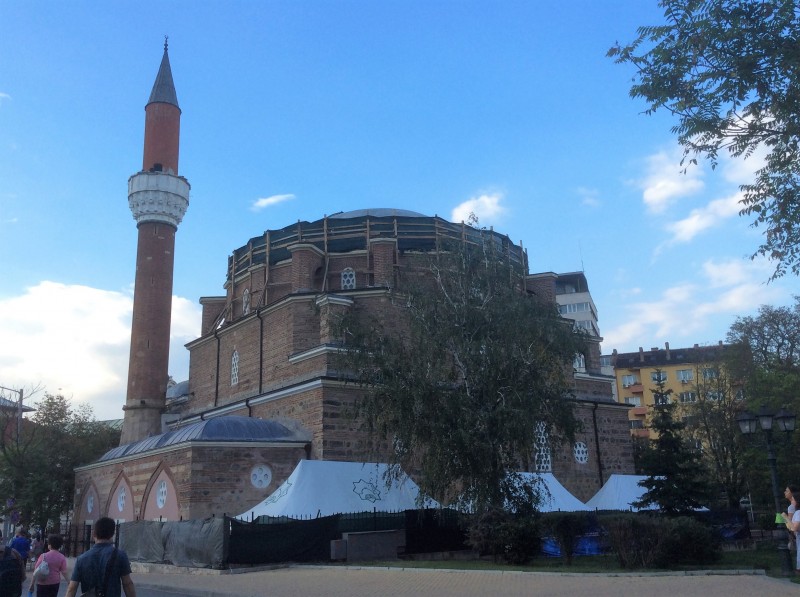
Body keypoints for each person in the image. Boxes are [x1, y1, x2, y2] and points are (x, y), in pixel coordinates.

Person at [65, 517, 135, 597]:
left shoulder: (81, 559)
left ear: (93, 534)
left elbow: (72, 588)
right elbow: (127, 584)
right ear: (112, 534)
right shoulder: (120, 555)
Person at [782, 490, 800, 574]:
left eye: (793, 500)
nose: (791, 502)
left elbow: (794, 528)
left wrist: (785, 518)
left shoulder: (798, 512)